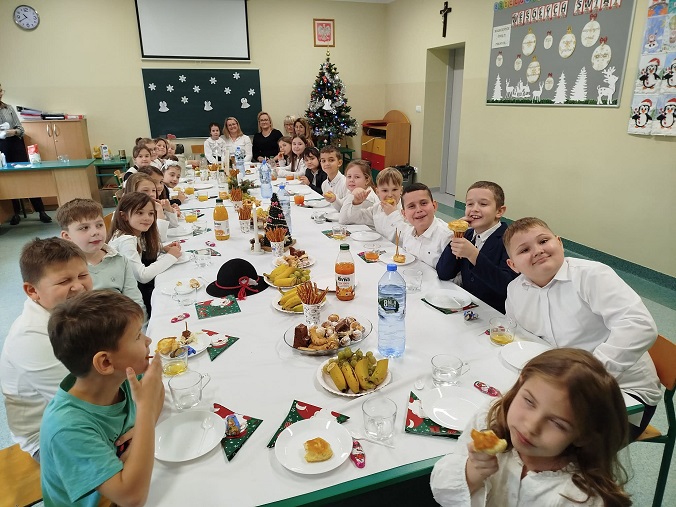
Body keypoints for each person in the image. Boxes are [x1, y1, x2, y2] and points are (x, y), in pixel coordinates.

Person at [503, 217, 661, 440]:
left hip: (622, 394)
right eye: (524, 250)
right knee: (505, 421)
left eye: (544, 241)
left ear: (559, 243)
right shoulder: (516, 290)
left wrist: (584, 377)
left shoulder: (592, 276)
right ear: (513, 265)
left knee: (550, 444)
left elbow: (640, 325)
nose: (537, 251)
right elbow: (518, 337)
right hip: (556, 387)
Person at [430, 348, 631, 507]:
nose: (531, 426)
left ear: (583, 436)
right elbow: (442, 492)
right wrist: (472, 471)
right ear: (521, 383)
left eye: (557, 423)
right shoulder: (490, 419)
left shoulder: (581, 498)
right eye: (529, 401)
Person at [40, 290, 164, 507]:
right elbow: (132, 498)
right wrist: (145, 408)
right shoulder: (67, 428)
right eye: (137, 336)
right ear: (105, 362)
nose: (148, 340)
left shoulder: (121, 374)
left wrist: (141, 430)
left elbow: (157, 391)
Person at [0, 237, 92, 461]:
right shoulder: (30, 339)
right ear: (32, 290)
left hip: (81, 409)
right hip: (49, 437)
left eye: (83, 275)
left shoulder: (69, 310)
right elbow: (86, 402)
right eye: (64, 281)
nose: (79, 286)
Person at [436, 181, 517, 314]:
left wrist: (474, 255)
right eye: (470, 204)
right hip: (468, 307)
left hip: (495, 314)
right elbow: (444, 272)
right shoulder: (467, 235)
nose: (474, 209)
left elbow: (507, 287)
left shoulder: (510, 240)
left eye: (483, 204)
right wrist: (457, 233)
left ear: (499, 211)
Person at [56, 198, 145, 316]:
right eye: (84, 228)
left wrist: (141, 325)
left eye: (99, 225)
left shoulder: (120, 260)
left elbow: (135, 301)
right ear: (67, 236)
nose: (95, 232)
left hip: (125, 321)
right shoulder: (62, 270)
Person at [108, 192, 181, 316]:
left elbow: (140, 250)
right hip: (128, 304)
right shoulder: (125, 240)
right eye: (140, 213)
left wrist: (162, 249)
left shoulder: (131, 232)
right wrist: (171, 257)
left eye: (151, 213)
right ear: (124, 216)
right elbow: (142, 276)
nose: (147, 218)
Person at [0, 83, 52, 225]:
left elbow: (20, 129)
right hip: (1, 147)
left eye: (1, 91)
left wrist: (12, 131)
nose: (0, 94)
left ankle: (41, 211)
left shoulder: (8, 108)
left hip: (15, 144)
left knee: (28, 175)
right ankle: (15, 212)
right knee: (9, 179)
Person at [339, 166, 406, 242]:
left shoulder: (406, 210)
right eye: (385, 190)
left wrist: (393, 214)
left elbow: (406, 236)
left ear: (401, 190)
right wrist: (356, 203)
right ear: (378, 192)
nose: (390, 195)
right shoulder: (376, 208)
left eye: (394, 189)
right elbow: (353, 219)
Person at [399, 182, 452, 268]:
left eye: (423, 203)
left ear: (434, 206)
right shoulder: (407, 233)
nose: (419, 210)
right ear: (404, 214)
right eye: (411, 206)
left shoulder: (447, 236)